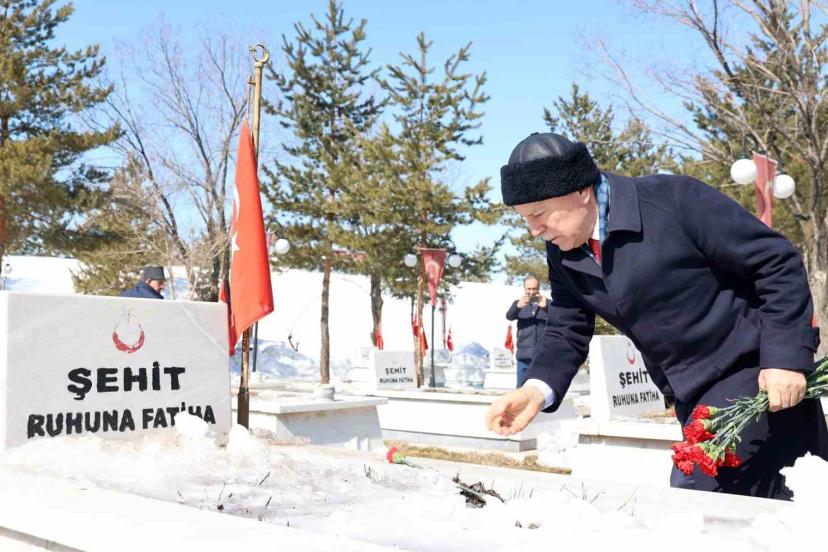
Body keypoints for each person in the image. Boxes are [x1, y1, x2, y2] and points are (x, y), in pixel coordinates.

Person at [485, 131, 826, 500]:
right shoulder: (564, 252)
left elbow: (776, 262)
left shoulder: (674, 200)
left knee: (699, 494)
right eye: (525, 218)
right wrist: (535, 391)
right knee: (778, 505)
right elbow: (566, 329)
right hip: (689, 392)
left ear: (581, 191)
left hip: (753, 369)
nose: (534, 230)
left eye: (538, 214)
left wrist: (785, 359)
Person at [506, 276, 549, 387]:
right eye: (529, 289)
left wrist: (546, 308)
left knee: (540, 390)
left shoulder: (547, 303)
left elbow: (558, 319)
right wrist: (518, 307)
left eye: (534, 289)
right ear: (524, 288)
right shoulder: (518, 303)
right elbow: (509, 316)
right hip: (524, 355)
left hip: (542, 356)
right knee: (521, 389)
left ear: (539, 288)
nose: (531, 292)